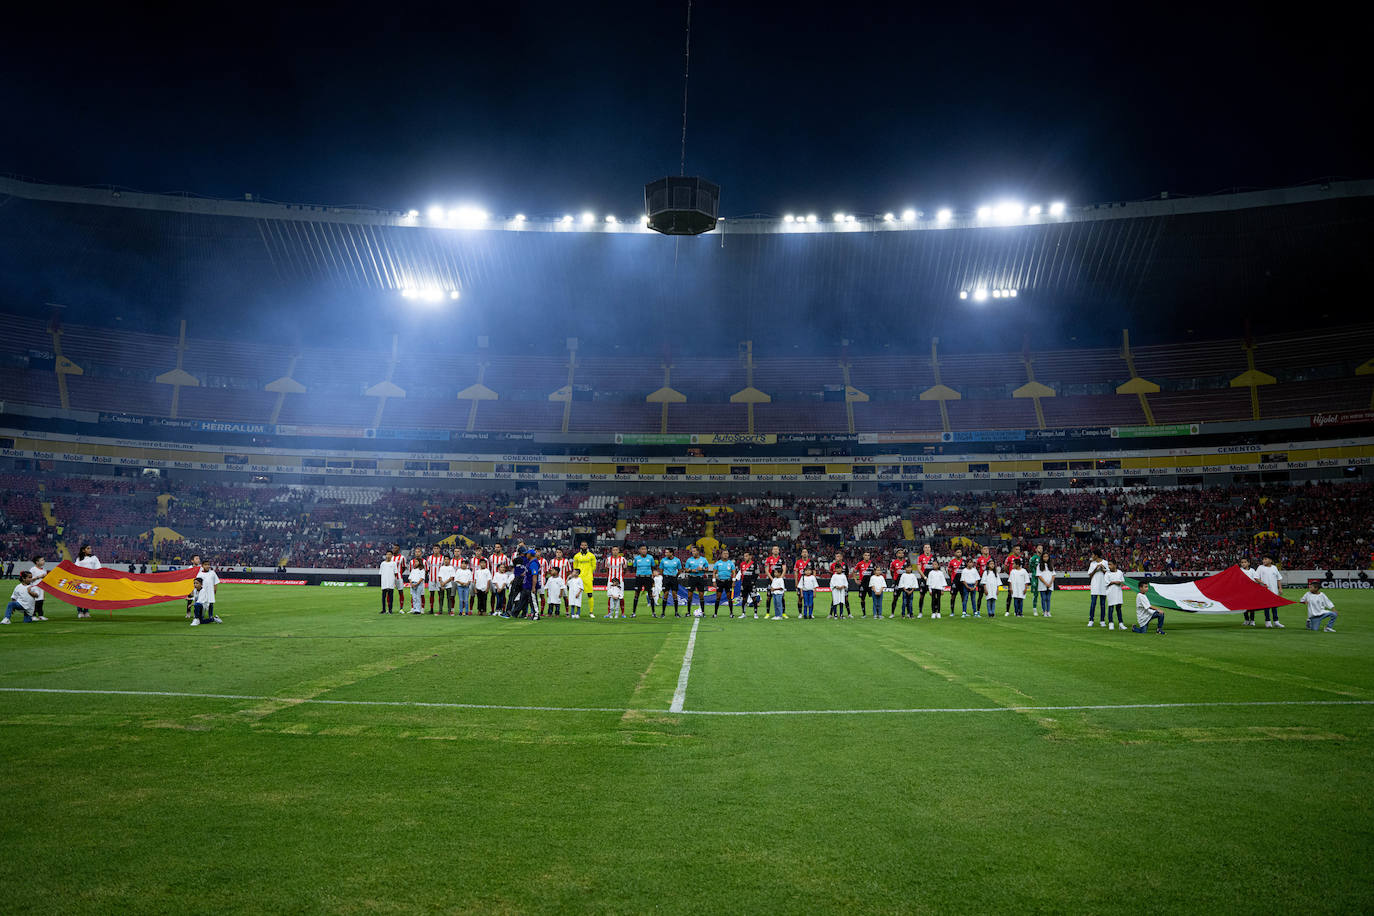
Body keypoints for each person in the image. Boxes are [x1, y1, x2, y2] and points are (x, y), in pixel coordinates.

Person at [74, 543, 101, 619]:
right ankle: (79, 611)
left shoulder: (94, 558)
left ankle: (86, 611)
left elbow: (98, 567)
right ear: (83, 550)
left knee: (87, 596)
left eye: (90, 548)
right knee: (79, 596)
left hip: (90, 580)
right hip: (81, 580)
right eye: (88, 548)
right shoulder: (79, 558)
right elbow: (76, 568)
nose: (90, 550)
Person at [1257, 556, 1285, 628]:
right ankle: (1268, 621)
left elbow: (1278, 579)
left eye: (1265, 559)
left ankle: (1276, 622)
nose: (1263, 560)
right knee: (1267, 607)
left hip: (1274, 591)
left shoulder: (1274, 568)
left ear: (1270, 560)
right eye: (1263, 559)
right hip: (1265, 591)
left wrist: (1280, 589)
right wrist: (1262, 583)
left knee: (1274, 607)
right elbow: (1256, 577)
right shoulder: (1260, 567)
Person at [572, 541, 598, 618]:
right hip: (579, 578)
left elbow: (594, 566)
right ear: (580, 546)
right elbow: (575, 567)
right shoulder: (576, 556)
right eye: (582, 545)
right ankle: (577, 613)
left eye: (585, 545)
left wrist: (588, 573)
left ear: (587, 546)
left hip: (588, 578)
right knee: (577, 595)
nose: (584, 546)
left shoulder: (592, 556)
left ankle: (591, 612)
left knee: (590, 594)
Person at [629, 545, 656, 618]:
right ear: (639, 550)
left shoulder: (650, 558)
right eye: (642, 549)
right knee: (636, 594)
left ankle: (653, 613)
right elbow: (634, 567)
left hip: (648, 578)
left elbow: (653, 567)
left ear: (647, 550)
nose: (644, 550)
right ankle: (633, 613)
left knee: (650, 594)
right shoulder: (637, 558)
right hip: (639, 578)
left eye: (645, 549)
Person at [712, 548, 738, 618]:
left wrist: (733, 581)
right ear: (721, 555)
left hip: (728, 582)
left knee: (729, 598)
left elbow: (734, 573)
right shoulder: (717, 563)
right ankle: (715, 613)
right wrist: (714, 581)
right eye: (724, 553)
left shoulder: (731, 563)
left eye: (727, 554)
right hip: (720, 582)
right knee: (718, 597)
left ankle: (731, 613)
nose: (726, 555)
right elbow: (714, 572)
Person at [684, 545, 709, 616]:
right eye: (692, 551)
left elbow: (707, 569)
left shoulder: (703, 559)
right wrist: (691, 570)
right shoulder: (689, 560)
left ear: (698, 551)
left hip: (700, 578)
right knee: (689, 595)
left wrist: (703, 569)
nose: (693, 552)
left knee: (701, 595)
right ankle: (688, 612)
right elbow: (686, 569)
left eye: (694, 551)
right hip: (692, 578)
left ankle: (703, 612)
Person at [658, 546, 683, 617]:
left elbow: (680, 570)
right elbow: (661, 569)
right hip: (666, 578)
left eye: (667, 552)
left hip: (674, 578)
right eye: (665, 552)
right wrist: (665, 576)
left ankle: (676, 612)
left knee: (675, 594)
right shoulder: (663, 560)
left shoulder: (677, 560)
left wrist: (675, 575)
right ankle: (663, 613)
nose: (665, 553)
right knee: (665, 594)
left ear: (671, 553)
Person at [1086, 552, 1109, 627]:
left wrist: (1102, 568)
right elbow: (1090, 575)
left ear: (1096, 555)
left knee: (1102, 604)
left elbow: (1108, 574)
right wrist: (1095, 569)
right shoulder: (1092, 563)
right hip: (1095, 585)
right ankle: (1091, 620)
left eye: (1093, 555)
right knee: (1093, 604)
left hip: (1103, 585)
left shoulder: (1105, 562)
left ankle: (1102, 621)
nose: (1092, 556)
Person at [604, 547, 626, 619]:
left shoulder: (623, 559)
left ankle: (622, 613)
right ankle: (609, 613)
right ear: (611, 551)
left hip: (620, 580)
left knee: (621, 596)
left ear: (619, 551)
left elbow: (625, 569)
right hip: (611, 580)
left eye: (616, 550)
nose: (615, 551)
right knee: (610, 596)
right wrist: (611, 577)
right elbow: (607, 569)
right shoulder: (608, 559)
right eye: (614, 550)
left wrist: (621, 577)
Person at [734, 549, 757, 618]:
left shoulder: (754, 564)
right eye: (744, 556)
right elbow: (741, 573)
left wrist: (753, 581)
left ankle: (755, 613)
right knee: (744, 599)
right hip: (744, 584)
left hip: (752, 584)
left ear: (750, 556)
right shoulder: (742, 564)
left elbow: (757, 574)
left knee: (754, 598)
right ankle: (743, 613)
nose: (745, 557)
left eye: (746, 556)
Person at [1103, 560, 1125, 629]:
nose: (1109, 566)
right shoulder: (1107, 573)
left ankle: (1121, 623)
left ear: (1115, 565)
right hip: (1110, 592)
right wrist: (1115, 582)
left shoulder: (1120, 572)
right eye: (1108, 565)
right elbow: (1107, 583)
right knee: (1111, 608)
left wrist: (1119, 583)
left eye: (1110, 564)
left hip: (1118, 592)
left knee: (1119, 608)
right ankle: (1111, 623)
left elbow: (1122, 583)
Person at [1239, 558, 1261, 627]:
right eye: (1242, 562)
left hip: (1251, 591)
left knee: (1252, 607)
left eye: (1245, 562)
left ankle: (1252, 620)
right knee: (1244, 607)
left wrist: (1261, 583)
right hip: (1243, 591)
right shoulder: (1239, 570)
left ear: (1248, 563)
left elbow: (1256, 579)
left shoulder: (1252, 570)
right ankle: (1246, 620)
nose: (1243, 564)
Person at [915, 544, 936, 616]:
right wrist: (924, 577)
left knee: (933, 595)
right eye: (926, 547)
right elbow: (918, 568)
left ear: (930, 549)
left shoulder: (933, 557)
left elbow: (936, 567)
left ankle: (934, 612)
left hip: (932, 580)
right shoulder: (920, 557)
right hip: (924, 579)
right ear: (923, 549)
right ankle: (920, 612)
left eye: (928, 547)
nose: (927, 549)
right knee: (921, 596)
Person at [829, 551, 851, 618]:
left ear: (841, 557)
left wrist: (844, 585)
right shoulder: (832, 565)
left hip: (843, 586)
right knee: (834, 599)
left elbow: (847, 574)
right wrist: (834, 585)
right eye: (836, 556)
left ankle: (849, 613)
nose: (837, 558)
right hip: (836, 586)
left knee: (845, 599)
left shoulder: (845, 565)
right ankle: (831, 613)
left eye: (838, 556)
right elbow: (831, 574)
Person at [854, 550, 874, 617]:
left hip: (871, 583)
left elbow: (876, 572)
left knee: (874, 597)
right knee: (862, 599)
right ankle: (864, 614)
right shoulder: (859, 563)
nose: (867, 557)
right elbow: (854, 571)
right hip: (862, 584)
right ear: (863, 556)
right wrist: (856, 580)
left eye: (868, 555)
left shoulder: (872, 564)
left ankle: (876, 613)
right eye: (866, 555)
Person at [379, 549, 398, 614]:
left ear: (392, 555)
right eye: (387, 554)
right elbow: (381, 573)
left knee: (390, 597)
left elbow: (395, 573)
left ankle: (390, 610)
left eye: (390, 554)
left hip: (391, 582)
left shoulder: (394, 563)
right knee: (383, 597)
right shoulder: (382, 564)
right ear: (385, 555)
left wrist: (394, 581)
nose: (388, 556)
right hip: (384, 582)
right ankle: (383, 610)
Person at [1027, 545, 1044, 612]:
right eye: (1039, 548)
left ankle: (1044, 610)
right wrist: (1035, 573)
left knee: (1043, 594)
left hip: (1043, 578)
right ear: (1036, 549)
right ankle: (1034, 609)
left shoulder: (1044, 558)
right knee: (1035, 594)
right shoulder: (1033, 558)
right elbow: (1030, 567)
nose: (1041, 549)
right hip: (1036, 578)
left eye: (1042, 548)